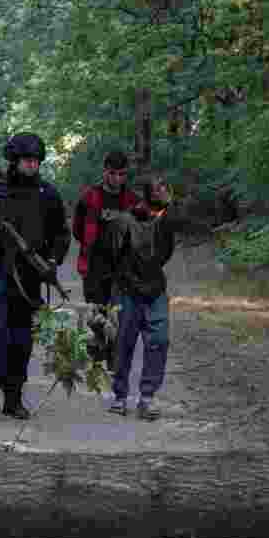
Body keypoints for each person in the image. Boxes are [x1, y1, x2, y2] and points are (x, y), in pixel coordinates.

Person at [0, 133, 71, 424]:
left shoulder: (48, 194)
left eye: (36, 162)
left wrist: (53, 262)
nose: (32, 166)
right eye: (27, 161)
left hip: (29, 278)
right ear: (14, 160)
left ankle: (14, 399)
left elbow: (61, 234)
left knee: (21, 340)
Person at [84, 172, 175, 421]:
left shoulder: (166, 221)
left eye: (166, 190)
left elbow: (164, 254)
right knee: (122, 343)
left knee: (159, 340)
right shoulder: (122, 223)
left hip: (154, 290)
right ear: (147, 197)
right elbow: (105, 259)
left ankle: (147, 398)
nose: (164, 195)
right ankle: (120, 396)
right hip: (125, 291)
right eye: (159, 190)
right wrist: (99, 296)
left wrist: (149, 277)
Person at [71, 150, 140, 282]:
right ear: (104, 171)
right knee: (99, 302)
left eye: (121, 174)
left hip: (125, 266)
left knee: (122, 301)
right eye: (112, 173)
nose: (117, 178)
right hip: (95, 265)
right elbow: (77, 230)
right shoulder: (88, 198)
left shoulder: (134, 200)